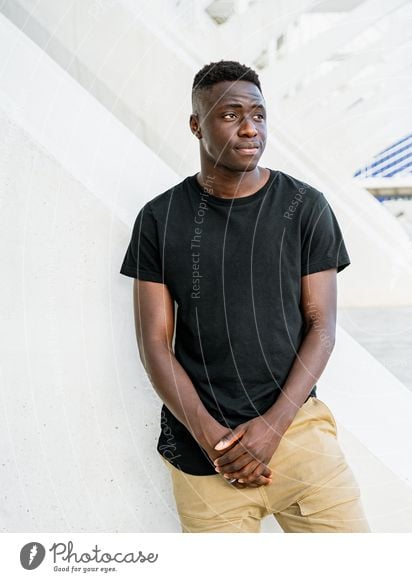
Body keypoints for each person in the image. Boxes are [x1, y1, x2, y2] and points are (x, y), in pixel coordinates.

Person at [119, 60, 369, 533]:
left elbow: (322, 326)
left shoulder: (305, 207)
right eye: (231, 115)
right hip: (204, 455)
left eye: (259, 114)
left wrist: (273, 427)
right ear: (197, 124)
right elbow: (155, 343)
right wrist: (213, 438)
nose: (250, 128)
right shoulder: (159, 218)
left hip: (298, 434)